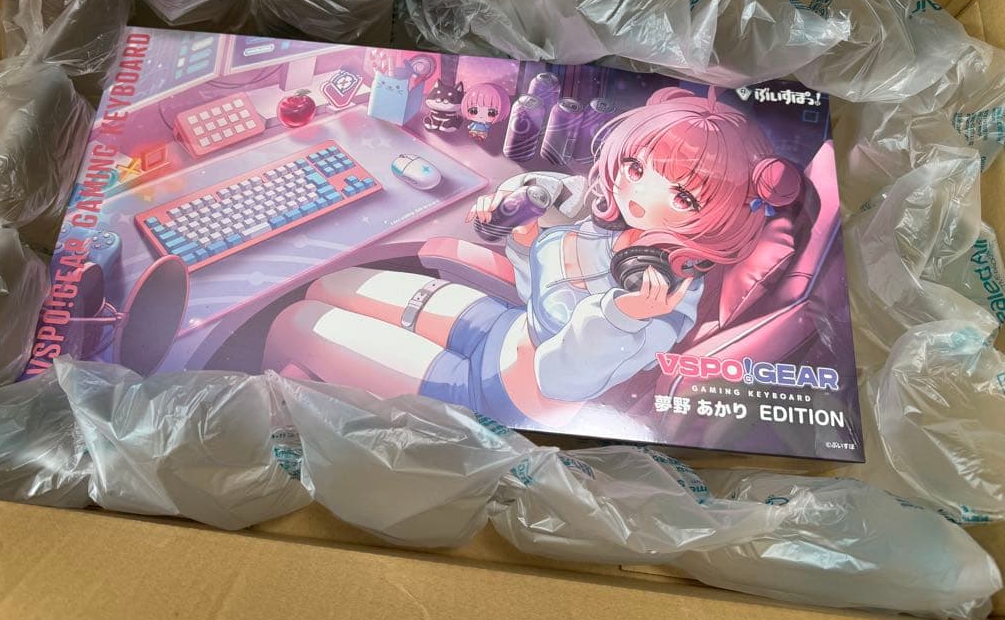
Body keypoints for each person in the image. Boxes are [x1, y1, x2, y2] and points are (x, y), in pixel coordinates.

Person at [264, 86, 801, 428]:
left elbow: (563, 378)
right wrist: (526, 233)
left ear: (723, 218)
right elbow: (543, 290)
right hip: (501, 327)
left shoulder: (663, 299)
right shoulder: (617, 221)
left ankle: (279, 426)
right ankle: (312, 388)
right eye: (636, 167)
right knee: (329, 286)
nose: (638, 192)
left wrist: (619, 317)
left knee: (293, 323)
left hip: (498, 395)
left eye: (681, 196)